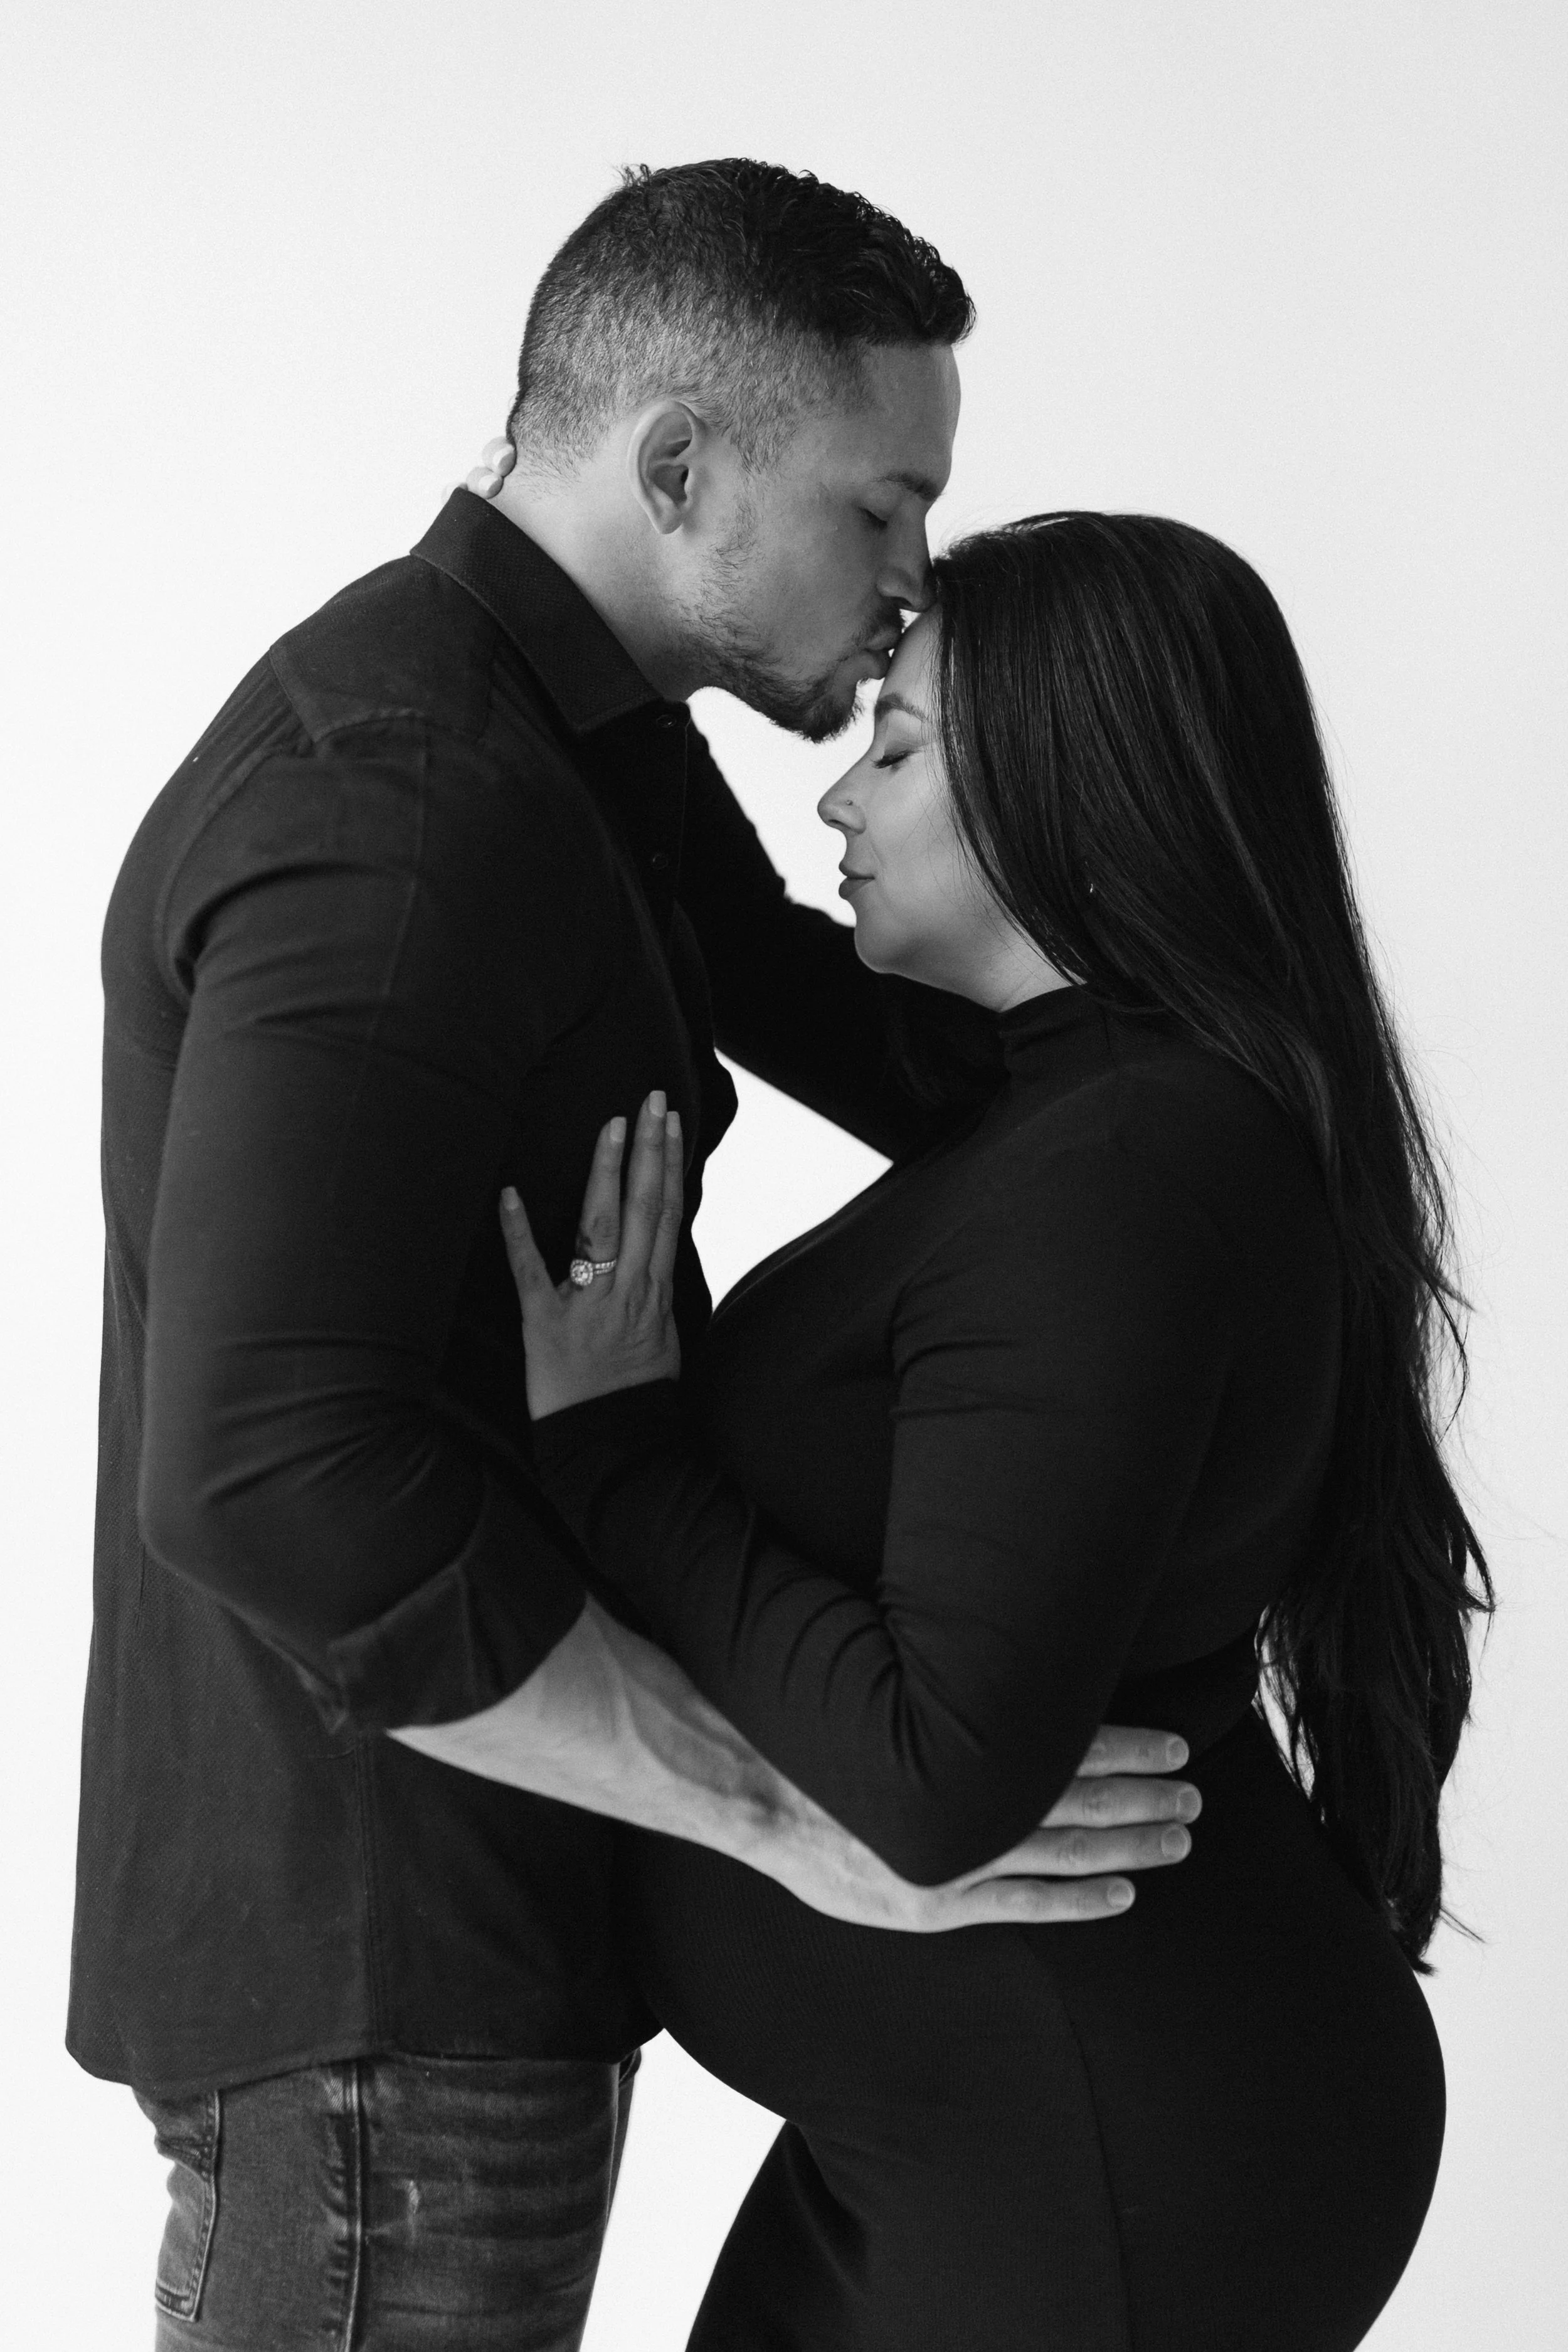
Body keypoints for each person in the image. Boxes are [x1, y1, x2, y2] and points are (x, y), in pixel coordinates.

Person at [72, 162, 1200, 2351]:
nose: (912, 578)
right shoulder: (402, 797)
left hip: (456, 1968)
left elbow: (893, 1037)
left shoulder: (570, 749)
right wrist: (791, 1808)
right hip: (377, 1985)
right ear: (678, 469)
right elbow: (262, 1471)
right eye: (882, 507)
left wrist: (1227, 1093)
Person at [486, 514, 1493, 2351]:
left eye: (894, 744)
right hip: (1027, 2130)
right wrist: (579, 601)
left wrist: (615, 1458)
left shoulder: (1119, 1169)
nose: (837, 794)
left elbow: (940, 1777)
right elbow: (745, 949)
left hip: (1111, 2159)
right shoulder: (1082, 1109)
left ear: (1057, 787)